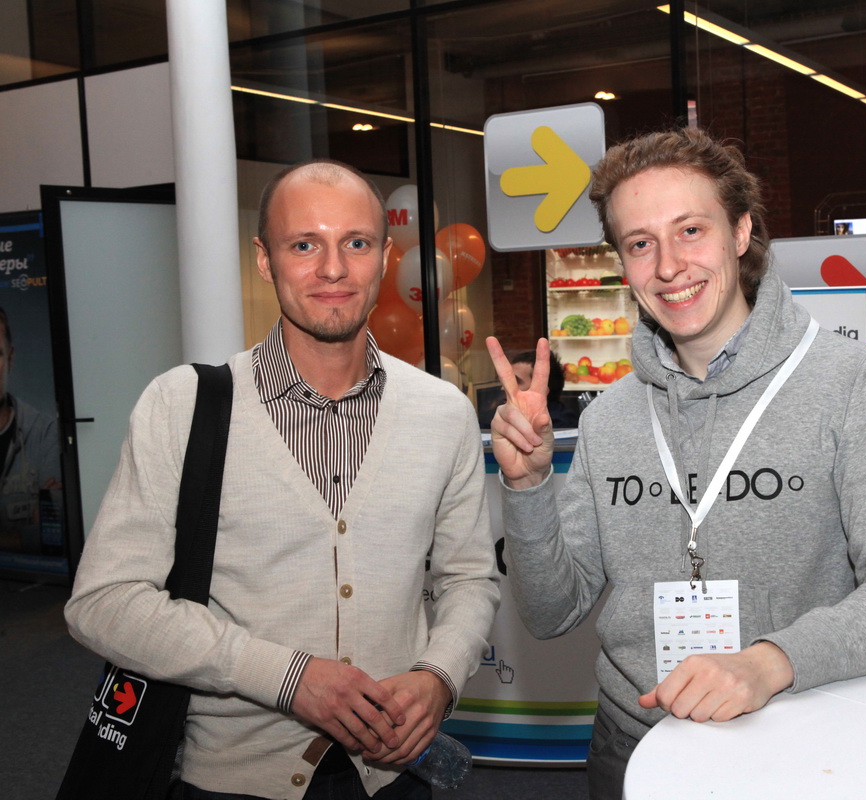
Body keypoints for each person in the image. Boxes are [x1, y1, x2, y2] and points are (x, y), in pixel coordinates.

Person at [486, 127, 866, 798]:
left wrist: (770, 662)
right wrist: (528, 487)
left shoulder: (850, 382)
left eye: (690, 231)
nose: (668, 266)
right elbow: (550, 613)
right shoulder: (610, 418)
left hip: (803, 736)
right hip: (631, 745)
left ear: (740, 232)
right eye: (640, 244)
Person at [66, 159, 500, 800]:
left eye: (357, 243)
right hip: (233, 780)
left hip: (392, 776)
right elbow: (103, 602)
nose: (333, 269)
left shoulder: (443, 412)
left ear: (386, 258)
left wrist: (440, 674)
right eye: (304, 245)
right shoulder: (183, 406)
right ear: (264, 260)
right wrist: (287, 677)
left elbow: (469, 577)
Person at [0, 307, 63, 555]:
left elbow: (52, 534)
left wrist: (33, 536)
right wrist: (19, 537)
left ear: (10, 359)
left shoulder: (45, 434)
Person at [507, 349, 579, 429]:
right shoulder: (509, 415)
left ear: (542, 390)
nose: (503, 388)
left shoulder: (559, 425)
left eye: (516, 381)